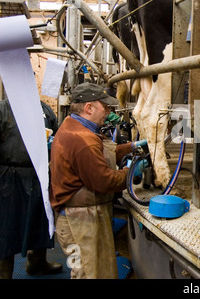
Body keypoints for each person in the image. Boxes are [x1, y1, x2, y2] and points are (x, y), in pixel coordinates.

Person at [49, 82, 145, 279]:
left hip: (82, 216)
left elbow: (101, 155)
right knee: (87, 274)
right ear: (89, 108)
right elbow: (104, 181)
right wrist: (131, 171)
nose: (108, 111)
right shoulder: (81, 139)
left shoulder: (75, 127)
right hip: (80, 222)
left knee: (96, 271)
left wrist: (131, 146)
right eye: (105, 106)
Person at [0, 99, 62, 279]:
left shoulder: (44, 109)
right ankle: (4, 274)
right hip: (9, 177)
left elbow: (55, 137)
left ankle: (38, 263)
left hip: (39, 174)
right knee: (7, 228)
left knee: (40, 220)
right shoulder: (3, 108)